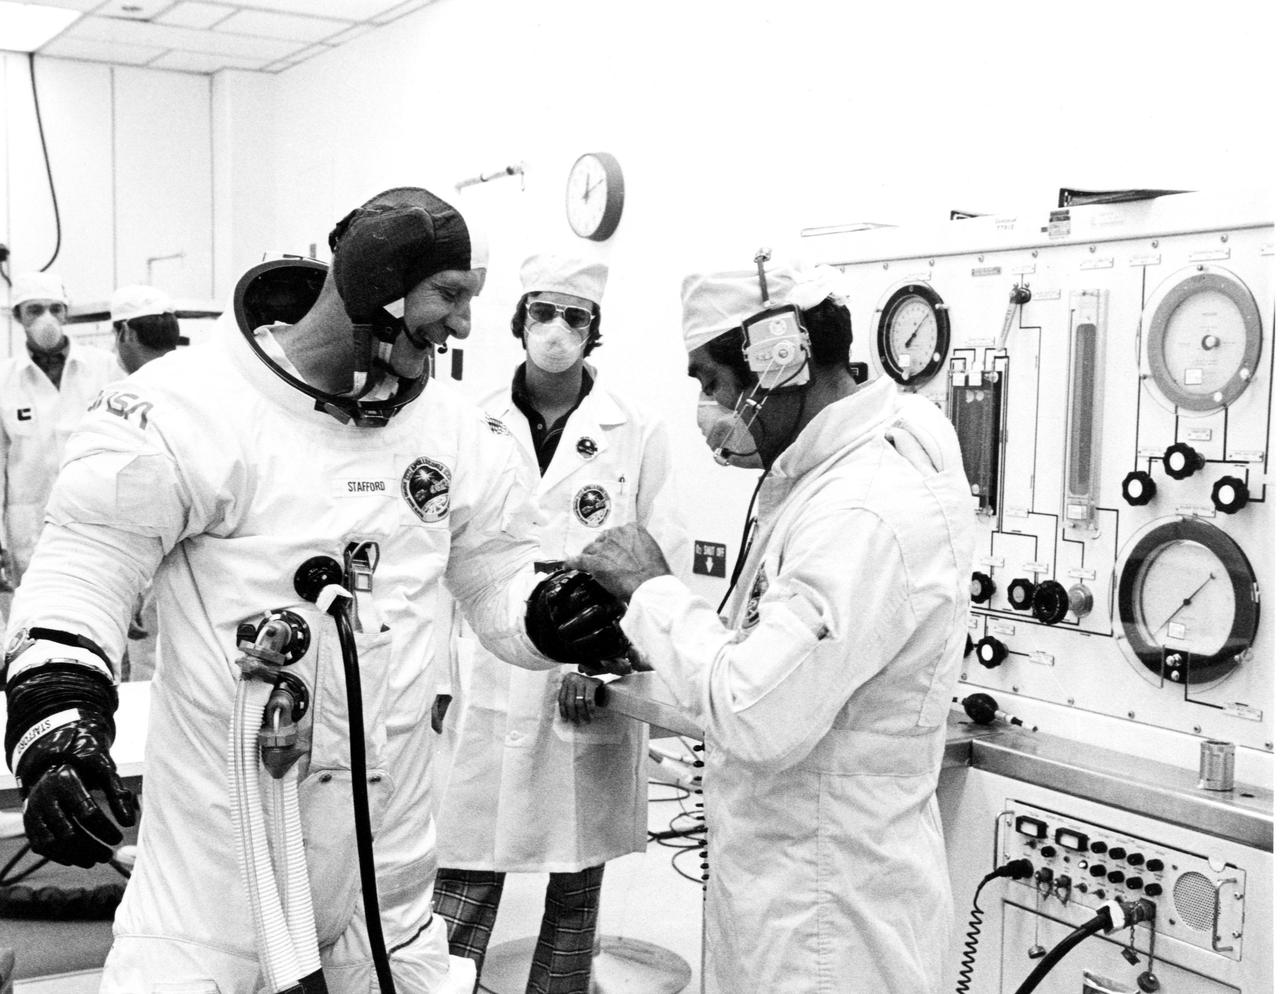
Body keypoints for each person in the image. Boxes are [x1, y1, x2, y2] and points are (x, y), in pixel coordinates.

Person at [2, 187, 632, 994]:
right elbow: (81, 576)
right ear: (378, 288)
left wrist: (544, 617)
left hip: (389, 889)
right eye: (449, 297)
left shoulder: (453, 433)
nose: (465, 325)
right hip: (217, 892)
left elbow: (496, 581)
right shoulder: (190, 408)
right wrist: (58, 722)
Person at [570, 260, 976, 993]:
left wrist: (650, 589)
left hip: (828, 923)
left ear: (777, 359)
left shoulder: (863, 510)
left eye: (710, 382)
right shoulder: (820, 479)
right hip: (792, 890)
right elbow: (764, 651)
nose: (706, 408)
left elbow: (758, 712)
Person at [432, 254, 686, 993]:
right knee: (463, 877)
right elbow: (442, 558)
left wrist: (606, 666)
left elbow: (656, 560)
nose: (556, 331)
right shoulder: (468, 419)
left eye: (574, 317)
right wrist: (439, 680)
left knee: (575, 886)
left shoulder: (636, 428)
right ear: (520, 320)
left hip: (588, 681)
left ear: (593, 330)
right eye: (544, 312)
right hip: (487, 667)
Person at [1, 271, 121, 591]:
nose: (47, 318)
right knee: (32, 623)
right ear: (18, 317)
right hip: (28, 525)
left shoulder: (105, 368)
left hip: (95, 522)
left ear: (66, 313)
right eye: (35, 310)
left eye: (55, 308)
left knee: (98, 616)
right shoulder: (4, 380)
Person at [109, 283, 189, 375]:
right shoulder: (195, 379)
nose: (114, 347)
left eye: (115, 335)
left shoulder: (129, 388)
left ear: (128, 333)